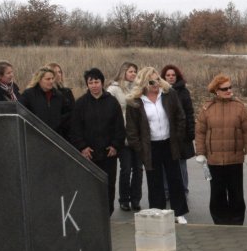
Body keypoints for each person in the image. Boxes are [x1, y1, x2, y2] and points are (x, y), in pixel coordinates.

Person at [125, 66, 189, 224]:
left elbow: (180, 117)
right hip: (150, 146)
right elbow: (132, 130)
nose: (156, 84)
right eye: (152, 81)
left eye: (158, 80)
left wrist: (179, 138)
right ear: (144, 82)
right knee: (155, 181)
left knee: (175, 178)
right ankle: (158, 212)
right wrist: (139, 148)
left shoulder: (169, 94)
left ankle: (179, 212)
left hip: (169, 143)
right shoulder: (135, 102)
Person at [194, 74, 247, 225]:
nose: (229, 90)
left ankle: (236, 219)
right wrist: (200, 153)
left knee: (236, 193)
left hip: (234, 158)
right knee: (217, 193)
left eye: (230, 87)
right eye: (224, 88)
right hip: (214, 160)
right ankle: (220, 220)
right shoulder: (207, 109)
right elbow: (200, 132)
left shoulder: (239, 107)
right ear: (216, 91)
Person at [70, 68, 125, 215]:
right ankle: (91, 214)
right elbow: (75, 128)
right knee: (89, 185)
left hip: (108, 153)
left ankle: (107, 213)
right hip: (89, 154)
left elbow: (119, 127)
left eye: (97, 82)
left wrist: (115, 145)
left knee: (108, 184)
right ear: (87, 84)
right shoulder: (81, 103)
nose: (94, 85)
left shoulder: (112, 102)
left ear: (102, 82)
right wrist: (82, 147)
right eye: (90, 82)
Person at [107, 62, 142, 211]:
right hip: (122, 135)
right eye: (130, 71)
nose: (133, 74)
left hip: (137, 135)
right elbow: (108, 111)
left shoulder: (139, 88)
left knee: (138, 170)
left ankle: (136, 199)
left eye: (135, 72)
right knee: (126, 169)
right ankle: (124, 199)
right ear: (123, 72)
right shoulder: (114, 89)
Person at [162, 64, 195, 193]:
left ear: (177, 76)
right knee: (165, 164)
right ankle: (166, 190)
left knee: (181, 164)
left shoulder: (183, 91)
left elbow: (189, 113)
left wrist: (190, 132)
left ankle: (183, 189)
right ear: (163, 77)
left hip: (181, 133)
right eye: (168, 75)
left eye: (173, 75)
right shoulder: (160, 91)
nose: (171, 77)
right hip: (165, 133)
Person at [19, 66, 73, 139]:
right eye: (48, 79)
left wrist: (59, 124)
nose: (51, 81)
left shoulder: (59, 96)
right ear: (39, 80)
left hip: (56, 138)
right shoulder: (28, 95)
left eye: (52, 79)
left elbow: (68, 114)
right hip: (35, 137)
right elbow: (21, 113)